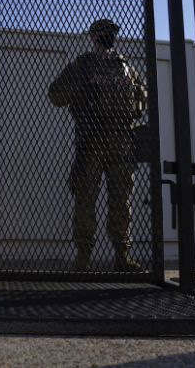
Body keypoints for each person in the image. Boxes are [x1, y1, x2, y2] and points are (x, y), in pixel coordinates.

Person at [48, 19, 146, 272]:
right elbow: (55, 95)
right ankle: (83, 257)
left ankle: (122, 256)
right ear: (92, 36)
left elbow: (141, 97)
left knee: (121, 200)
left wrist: (138, 103)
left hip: (122, 141)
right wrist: (83, 88)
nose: (107, 36)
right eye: (102, 32)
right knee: (85, 199)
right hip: (91, 140)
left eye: (111, 32)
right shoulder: (83, 65)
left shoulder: (126, 67)